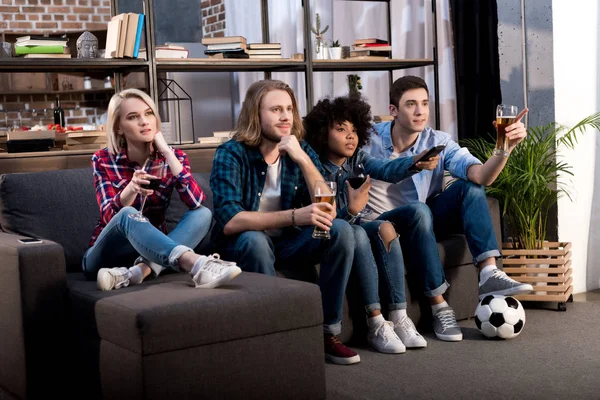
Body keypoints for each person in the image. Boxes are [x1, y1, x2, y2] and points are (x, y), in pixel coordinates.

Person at [361, 75, 534, 341]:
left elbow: (481, 176)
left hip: (425, 220)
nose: (420, 111)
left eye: (425, 103)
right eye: (411, 104)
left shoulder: (438, 141)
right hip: (384, 224)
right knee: (419, 210)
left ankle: (488, 271)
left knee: (470, 187)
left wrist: (504, 149)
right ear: (393, 110)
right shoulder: (367, 139)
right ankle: (439, 307)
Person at [210, 80, 358, 365]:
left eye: (289, 109)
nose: (285, 116)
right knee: (255, 239)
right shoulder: (231, 153)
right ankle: (273, 335)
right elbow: (230, 220)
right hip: (242, 247)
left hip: (289, 244)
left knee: (339, 230)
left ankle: (327, 332)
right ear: (256, 114)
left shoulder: (297, 149)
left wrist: (302, 158)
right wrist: (295, 216)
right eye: (276, 109)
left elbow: (329, 208)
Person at [304, 95, 430, 352]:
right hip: (325, 234)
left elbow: (387, 169)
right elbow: (328, 225)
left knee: (385, 228)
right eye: (341, 130)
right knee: (358, 233)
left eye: (354, 130)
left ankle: (399, 317)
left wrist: (416, 163)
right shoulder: (313, 166)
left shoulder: (357, 159)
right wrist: (351, 210)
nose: (350, 136)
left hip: (355, 224)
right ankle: (375, 322)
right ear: (322, 133)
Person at [83, 88, 241, 291]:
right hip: (105, 254)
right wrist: (131, 189)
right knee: (127, 213)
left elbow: (195, 201)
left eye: (148, 114)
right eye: (133, 117)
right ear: (119, 127)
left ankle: (136, 272)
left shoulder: (174, 157)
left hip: (152, 250)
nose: (144, 121)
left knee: (203, 214)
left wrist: (167, 152)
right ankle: (197, 264)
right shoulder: (103, 160)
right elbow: (107, 216)